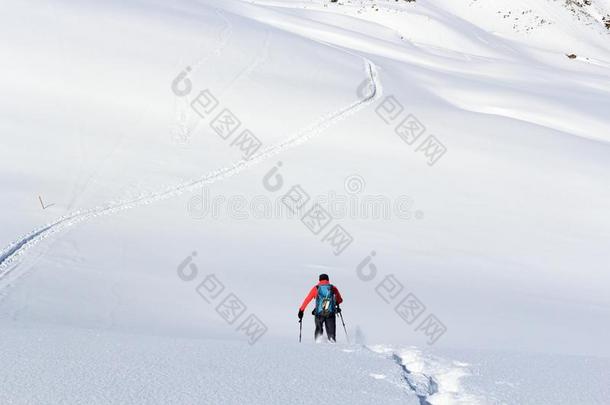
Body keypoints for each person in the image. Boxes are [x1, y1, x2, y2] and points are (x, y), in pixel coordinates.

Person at [298, 273, 343, 342]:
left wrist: (301, 310)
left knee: (319, 330)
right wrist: (335, 302)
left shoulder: (316, 288)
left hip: (319, 314)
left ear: (319, 280)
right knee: (331, 335)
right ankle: (332, 344)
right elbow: (340, 300)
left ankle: (318, 343)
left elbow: (307, 300)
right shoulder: (332, 288)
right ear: (328, 279)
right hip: (330, 314)